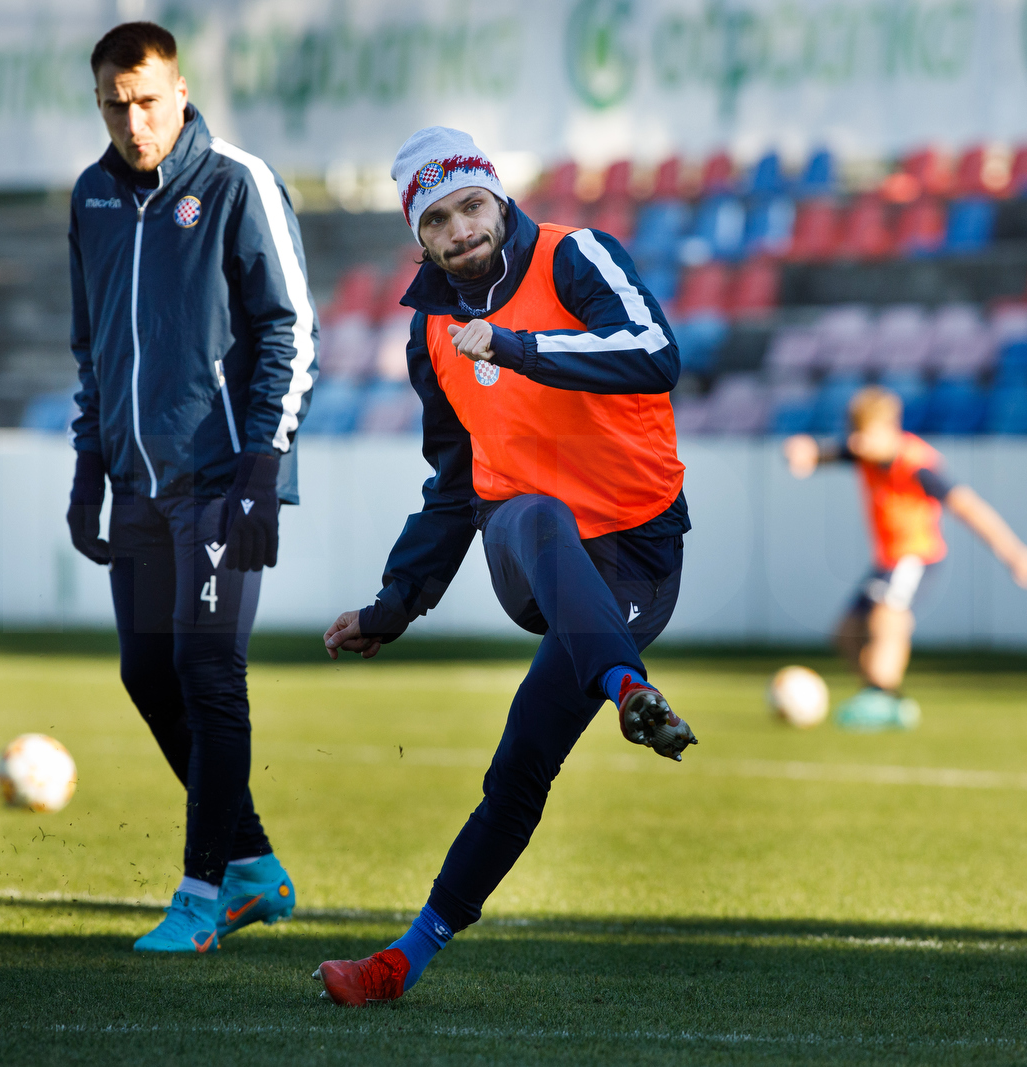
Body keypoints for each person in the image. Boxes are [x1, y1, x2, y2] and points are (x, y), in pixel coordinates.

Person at [314, 127, 695, 1006]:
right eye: (437, 218)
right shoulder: (431, 335)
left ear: (498, 198)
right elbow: (453, 487)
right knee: (525, 510)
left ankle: (398, 962)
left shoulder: (578, 256)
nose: (459, 229)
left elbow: (655, 355)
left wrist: (515, 345)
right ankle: (632, 692)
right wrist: (394, 602)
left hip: (636, 560)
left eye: (471, 205)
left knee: (518, 766)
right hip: (530, 550)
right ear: (420, 236)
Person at [65, 21, 317, 952]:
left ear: (179, 89)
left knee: (210, 675)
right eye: (113, 104)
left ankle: (201, 897)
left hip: (221, 482)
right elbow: (91, 348)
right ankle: (251, 863)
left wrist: (260, 470)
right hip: (137, 484)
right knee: (146, 673)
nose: (133, 121)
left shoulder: (235, 182)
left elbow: (292, 334)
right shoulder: (91, 196)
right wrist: (89, 467)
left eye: (146, 100)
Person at [784, 386, 1027, 728]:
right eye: (854, 434)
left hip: (916, 556)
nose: (857, 443)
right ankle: (886, 701)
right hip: (888, 560)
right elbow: (831, 453)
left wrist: (1013, 553)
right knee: (846, 634)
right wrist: (809, 454)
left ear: (890, 428)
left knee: (888, 614)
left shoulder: (916, 464)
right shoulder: (866, 451)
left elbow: (968, 507)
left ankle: (881, 694)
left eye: (865, 435)